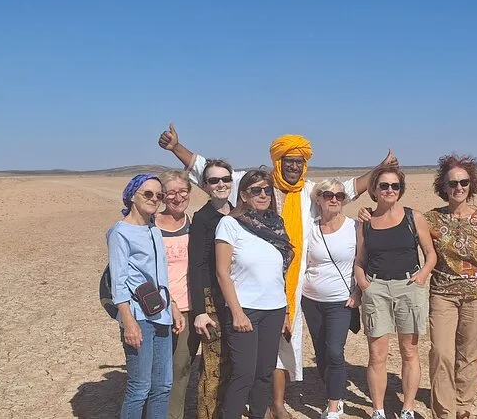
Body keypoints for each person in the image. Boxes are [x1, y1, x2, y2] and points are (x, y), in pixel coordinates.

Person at [159, 123, 397, 418]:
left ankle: (276, 403)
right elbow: (206, 171)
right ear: (278, 162)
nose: (294, 166)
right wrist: (176, 148)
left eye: (299, 162)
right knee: (246, 363)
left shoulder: (310, 192)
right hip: (247, 291)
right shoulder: (254, 184)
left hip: (291, 285)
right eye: (289, 161)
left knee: (283, 348)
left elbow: (349, 188)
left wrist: (380, 169)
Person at [353, 165, 437, 419]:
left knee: (409, 352)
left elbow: (430, 253)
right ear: (374, 189)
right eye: (384, 185)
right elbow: (360, 258)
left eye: (395, 186)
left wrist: (421, 276)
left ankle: (407, 408)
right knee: (377, 355)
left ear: (401, 190)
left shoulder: (414, 217)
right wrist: (364, 284)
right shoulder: (365, 222)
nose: (390, 190)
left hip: (408, 288)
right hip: (376, 288)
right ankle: (378, 410)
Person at [424, 154, 477, 419]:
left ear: (472, 185)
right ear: (443, 186)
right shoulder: (431, 219)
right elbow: (399, 224)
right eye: (452, 183)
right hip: (442, 294)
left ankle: (462, 406)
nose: (459, 187)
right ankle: (443, 412)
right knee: (441, 352)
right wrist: (370, 213)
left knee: (470, 354)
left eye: (464, 182)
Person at [214, 170, 293, 419]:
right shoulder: (230, 224)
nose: (263, 195)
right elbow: (222, 273)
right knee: (243, 374)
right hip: (245, 309)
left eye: (267, 190)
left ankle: (258, 414)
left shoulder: (276, 225)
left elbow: (280, 273)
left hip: (274, 309)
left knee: (264, 372)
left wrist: (285, 312)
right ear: (244, 195)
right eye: (256, 190)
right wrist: (237, 313)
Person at [107, 174, 186, 419]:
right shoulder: (120, 232)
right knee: (139, 387)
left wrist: (173, 306)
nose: (155, 199)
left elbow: (161, 275)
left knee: (163, 386)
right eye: (148, 194)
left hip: (162, 314)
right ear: (132, 196)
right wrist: (128, 321)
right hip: (139, 316)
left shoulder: (153, 229)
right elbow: (118, 282)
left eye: (159, 195)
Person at [301, 179, 358, 419]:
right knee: (322, 351)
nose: (334, 199)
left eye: (339, 195)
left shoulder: (354, 227)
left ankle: (334, 407)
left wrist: (358, 293)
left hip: (340, 301)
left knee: (335, 351)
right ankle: (333, 390)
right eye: (327, 195)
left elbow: (363, 262)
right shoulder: (309, 228)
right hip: (310, 300)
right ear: (318, 199)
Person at [187, 159, 235, 419]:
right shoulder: (203, 219)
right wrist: (200, 311)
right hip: (211, 300)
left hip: (238, 299)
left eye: (225, 179)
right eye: (214, 180)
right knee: (213, 365)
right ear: (205, 185)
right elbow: (196, 266)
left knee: (235, 363)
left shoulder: (239, 214)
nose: (221, 184)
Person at [153, 170, 199, 419]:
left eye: (183, 191)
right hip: (155, 309)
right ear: (162, 196)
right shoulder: (150, 225)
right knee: (155, 369)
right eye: (171, 192)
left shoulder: (194, 224)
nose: (178, 197)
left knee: (180, 367)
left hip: (187, 308)